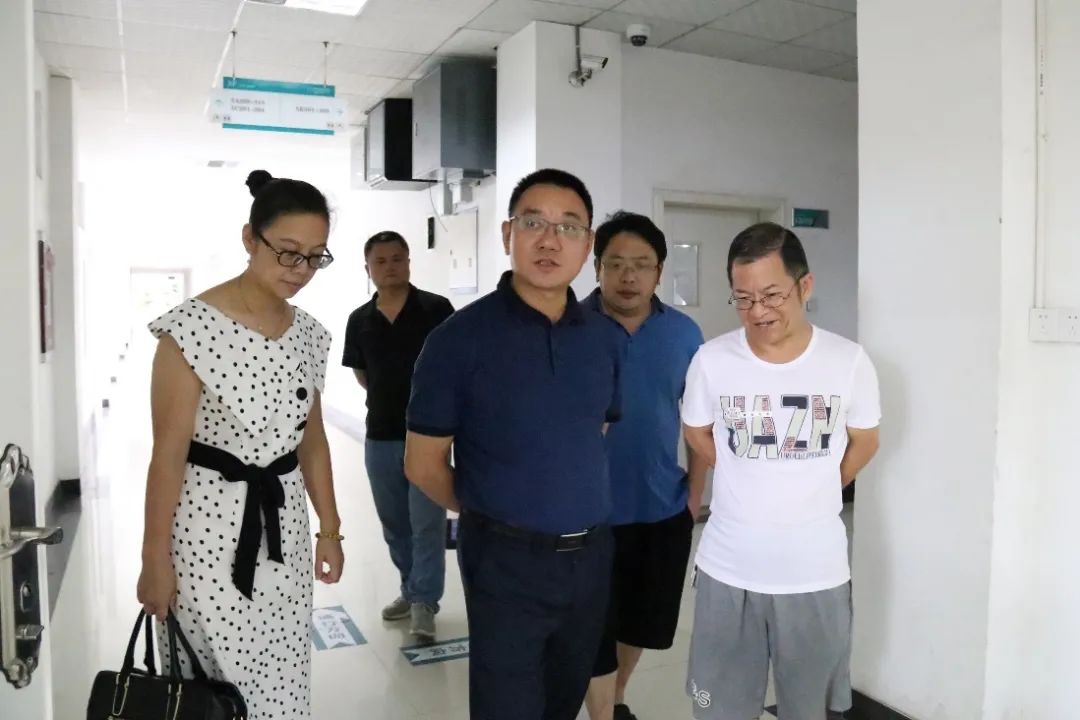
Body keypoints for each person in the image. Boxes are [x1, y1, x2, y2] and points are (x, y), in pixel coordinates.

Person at [404, 168, 621, 720]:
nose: (550, 240)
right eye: (533, 223)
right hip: (504, 561)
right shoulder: (458, 340)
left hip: (590, 558)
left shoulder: (604, 338)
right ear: (507, 235)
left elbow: (595, 431)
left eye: (569, 227)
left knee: (562, 700)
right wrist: (492, 509)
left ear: (588, 245)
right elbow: (423, 463)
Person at [137, 170, 345, 719]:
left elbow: (313, 441)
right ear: (250, 238)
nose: (299, 269)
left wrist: (329, 529)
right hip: (206, 531)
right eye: (288, 252)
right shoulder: (189, 331)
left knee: (282, 671)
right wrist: (154, 557)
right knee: (213, 683)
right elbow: (167, 457)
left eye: (315, 257)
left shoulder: (310, 334)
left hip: (285, 529)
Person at [681, 222, 881, 720]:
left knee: (810, 711)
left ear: (804, 286)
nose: (758, 311)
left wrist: (820, 484)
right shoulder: (711, 360)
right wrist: (741, 470)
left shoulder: (848, 361)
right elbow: (696, 431)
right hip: (728, 570)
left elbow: (866, 441)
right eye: (743, 299)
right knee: (718, 711)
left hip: (815, 573)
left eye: (772, 295)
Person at [582, 211, 706, 720]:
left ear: (659, 272)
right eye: (615, 264)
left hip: (660, 506)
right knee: (592, 625)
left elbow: (700, 422)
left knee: (640, 622)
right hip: (584, 512)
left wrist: (694, 496)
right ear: (597, 268)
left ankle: (615, 699)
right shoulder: (568, 327)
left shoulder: (684, 335)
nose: (627, 276)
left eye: (641, 264)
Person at [341, 230, 454, 640]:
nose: (389, 267)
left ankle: (425, 601)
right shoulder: (360, 320)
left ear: (408, 262)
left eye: (397, 259)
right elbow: (363, 375)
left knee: (426, 522)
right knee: (394, 522)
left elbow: (455, 366)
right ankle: (409, 588)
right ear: (368, 268)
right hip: (380, 435)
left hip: (429, 435)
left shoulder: (436, 309)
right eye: (380, 261)